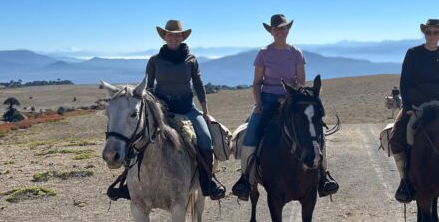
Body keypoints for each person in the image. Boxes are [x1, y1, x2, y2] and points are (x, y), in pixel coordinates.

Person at [231, 14, 339, 200]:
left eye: (283, 28)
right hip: (266, 99)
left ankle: (323, 176)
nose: (280, 31)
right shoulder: (263, 53)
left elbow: (301, 81)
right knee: (250, 135)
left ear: (288, 30)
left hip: (292, 99)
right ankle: (246, 179)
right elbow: (256, 83)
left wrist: (290, 98)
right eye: (276, 29)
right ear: (271, 31)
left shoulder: (296, 53)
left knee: (316, 134)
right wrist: (258, 104)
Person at [145, 19, 225, 200]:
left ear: (182, 37)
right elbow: (149, 88)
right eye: (170, 34)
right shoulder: (154, 61)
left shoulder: (191, 59)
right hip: (161, 110)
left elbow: (198, 85)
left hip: (187, 108)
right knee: (140, 137)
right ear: (164, 36)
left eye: (177, 35)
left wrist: (205, 111)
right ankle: (129, 182)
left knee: (205, 139)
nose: (173, 38)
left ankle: (208, 184)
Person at [389, 18, 439, 203]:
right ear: (424, 33)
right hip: (415, 103)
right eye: (429, 32)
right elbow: (404, 82)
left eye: (436, 32)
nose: (432, 36)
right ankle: (405, 180)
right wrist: (408, 107)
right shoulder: (413, 53)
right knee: (395, 139)